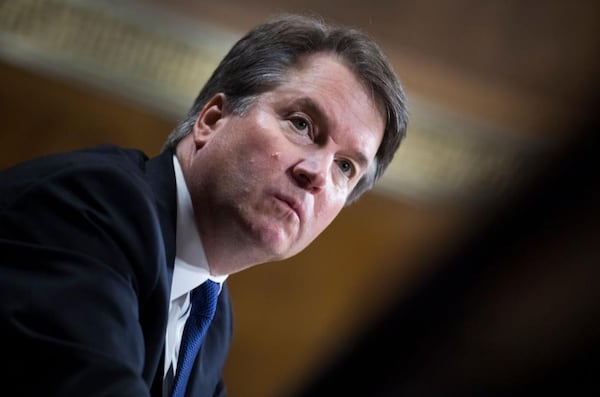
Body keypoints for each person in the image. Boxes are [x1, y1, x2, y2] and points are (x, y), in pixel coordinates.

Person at [0, 13, 408, 397]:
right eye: (301, 124)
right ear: (212, 119)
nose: (317, 174)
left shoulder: (209, 317)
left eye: (345, 167)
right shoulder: (91, 205)